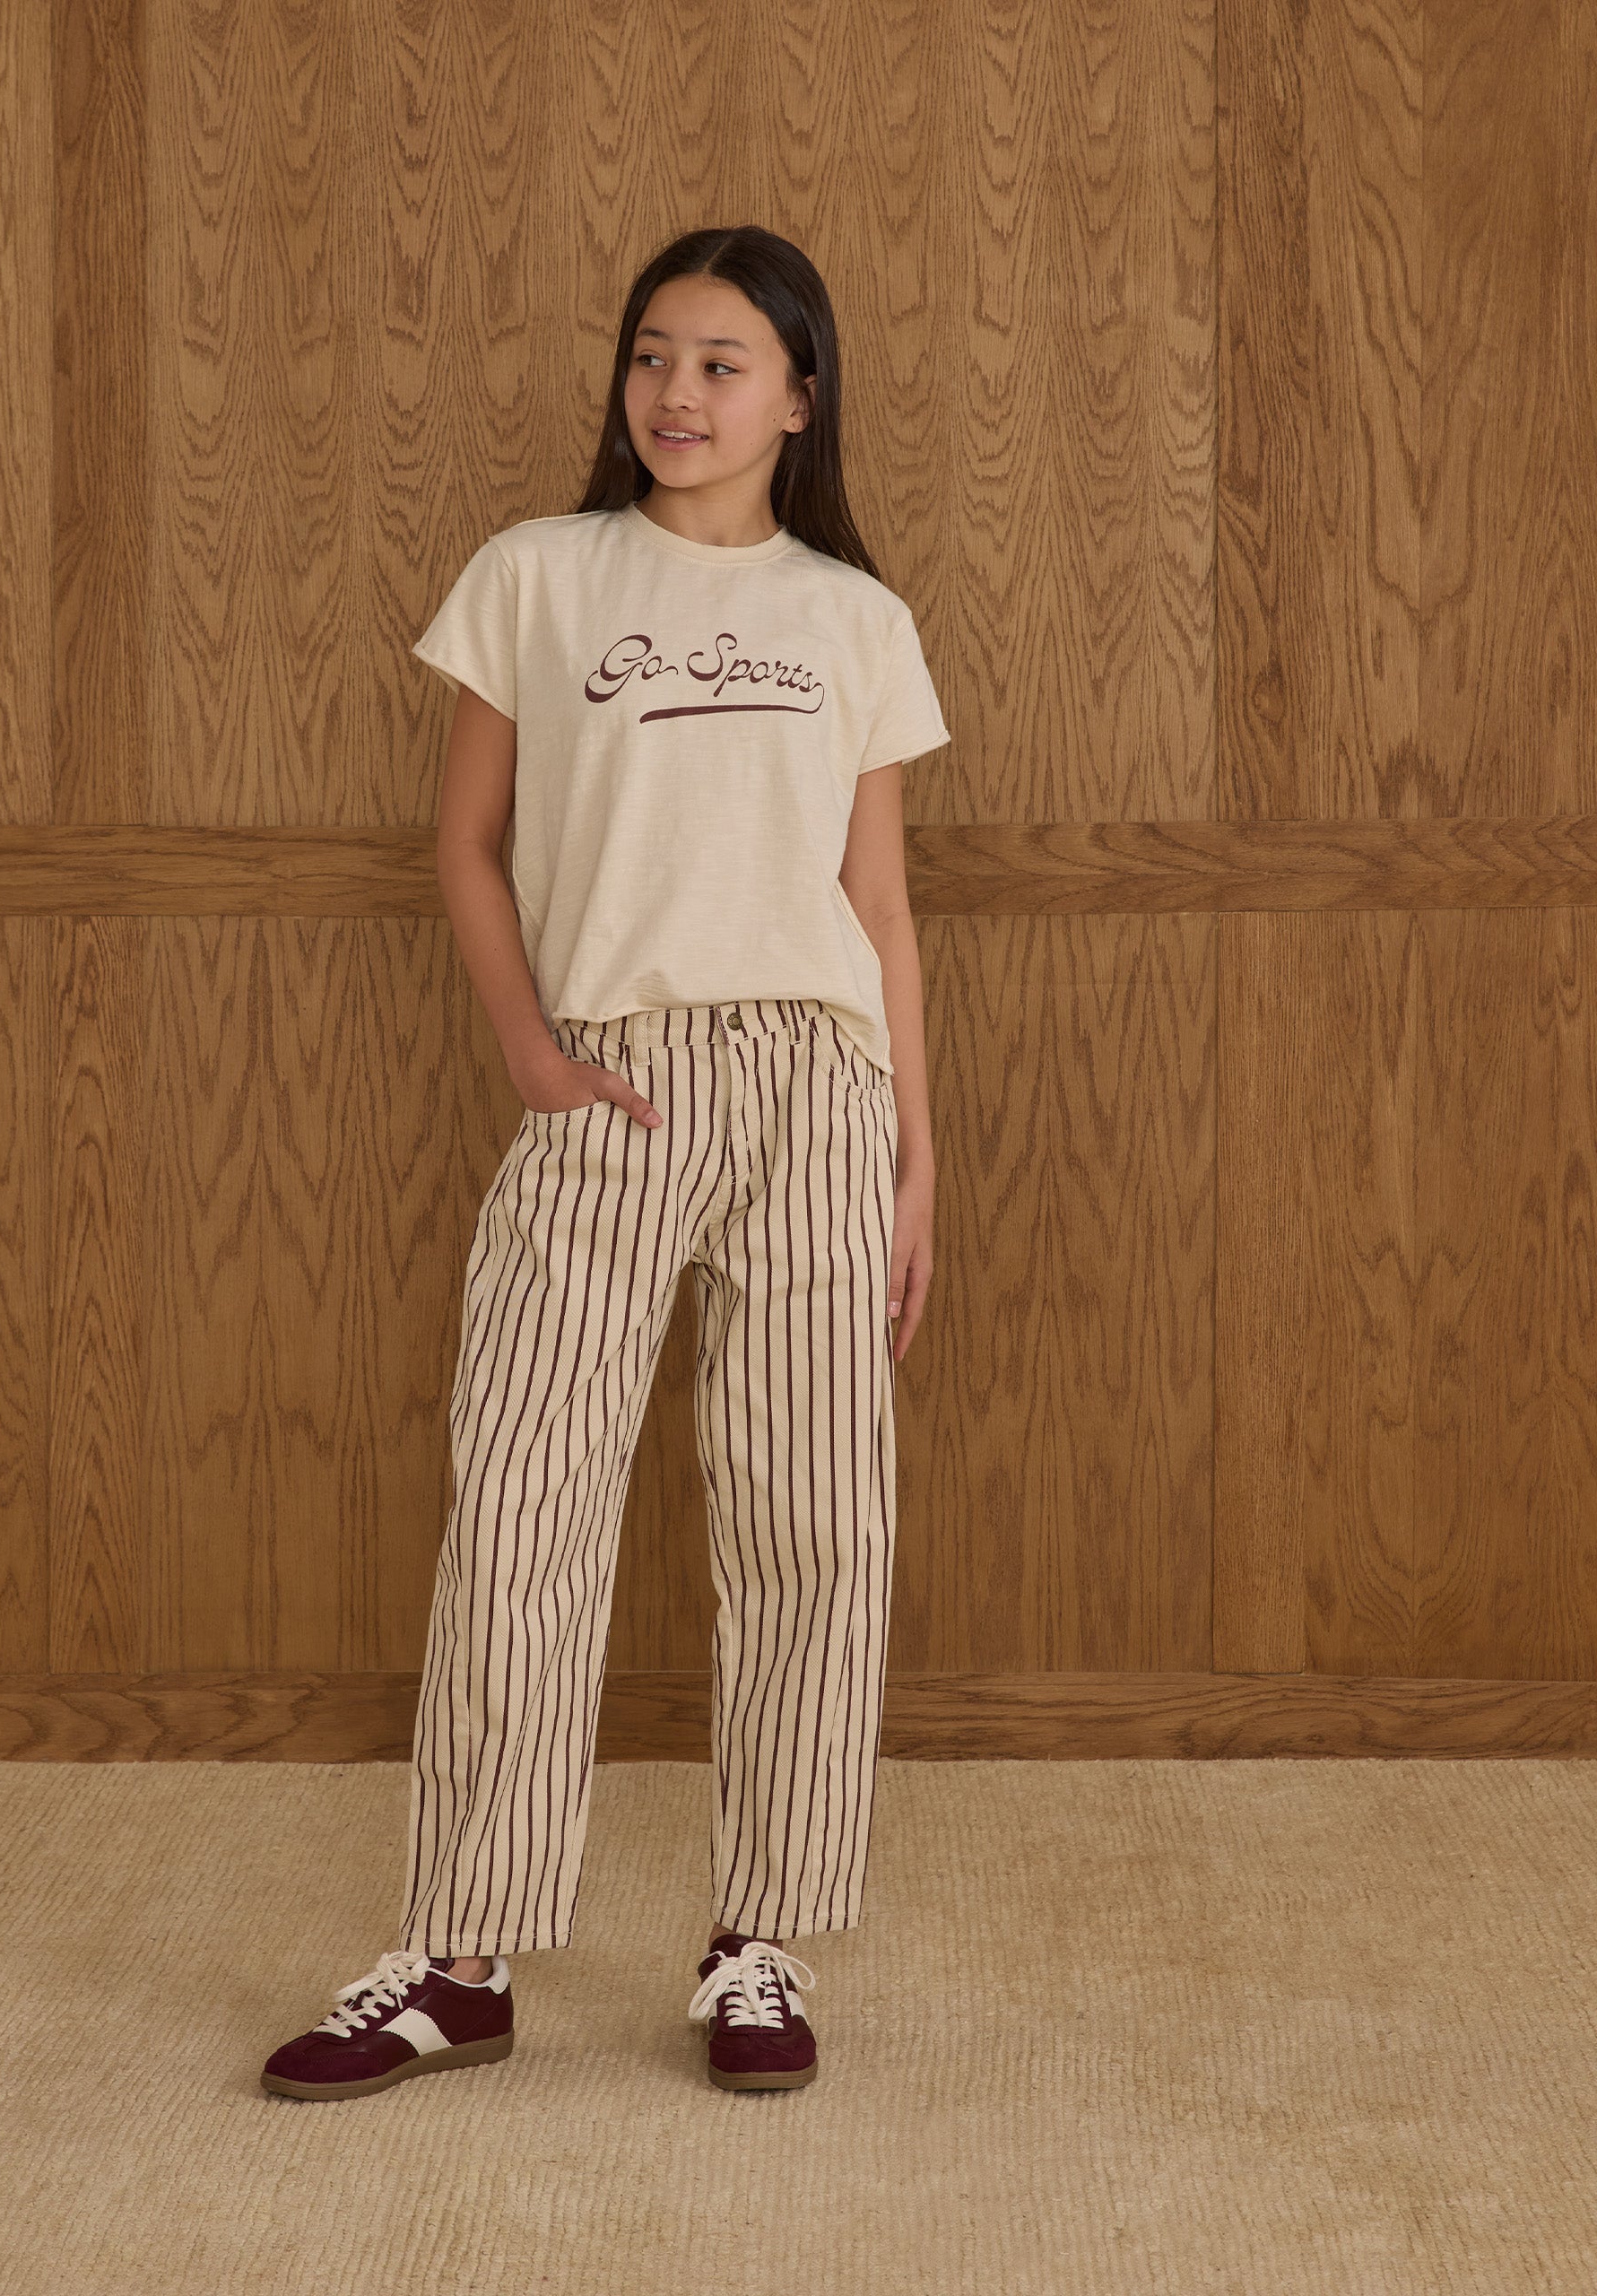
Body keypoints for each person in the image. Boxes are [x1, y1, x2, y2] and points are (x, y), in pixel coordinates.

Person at [262, 223, 949, 2105]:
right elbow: (466, 844)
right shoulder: (538, 577)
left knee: (814, 1519)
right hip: (611, 1084)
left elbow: (880, 902)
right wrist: (529, 1054)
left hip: (815, 1084)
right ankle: (459, 1956)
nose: (676, 392)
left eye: (723, 362)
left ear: (798, 396)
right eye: (653, 354)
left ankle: (762, 1937)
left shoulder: (854, 618)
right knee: (522, 1500)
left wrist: (915, 1155)